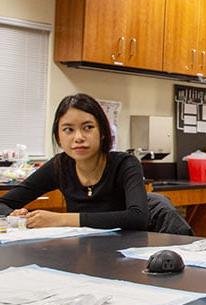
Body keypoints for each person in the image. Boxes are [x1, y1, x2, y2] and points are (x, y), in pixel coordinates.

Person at [0, 93, 149, 230]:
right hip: (78, 251)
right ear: (58, 137)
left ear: (103, 132)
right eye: (68, 130)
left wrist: (61, 219)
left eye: (88, 127)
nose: (78, 137)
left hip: (123, 250)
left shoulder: (125, 164)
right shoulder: (59, 166)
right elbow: (3, 203)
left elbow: (138, 217)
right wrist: (14, 214)